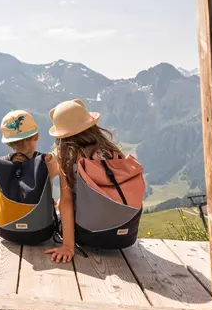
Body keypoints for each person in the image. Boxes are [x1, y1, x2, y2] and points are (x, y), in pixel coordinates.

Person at [47, 99, 146, 261]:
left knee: (57, 209)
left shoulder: (68, 158)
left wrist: (67, 247)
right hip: (127, 233)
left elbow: (67, 202)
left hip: (88, 234)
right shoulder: (111, 151)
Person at [0, 110, 60, 247]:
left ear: (8, 144)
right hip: (41, 231)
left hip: (6, 231)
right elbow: (61, 159)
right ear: (37, 136)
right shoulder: (47, 163)